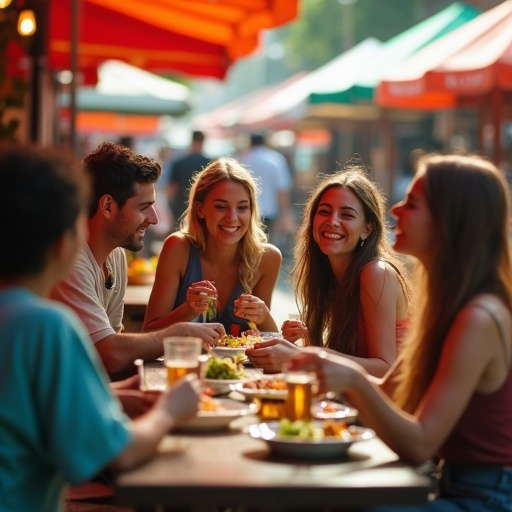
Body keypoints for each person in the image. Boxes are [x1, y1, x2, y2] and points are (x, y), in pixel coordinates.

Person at [292, 154, 512, 512]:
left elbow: (420, 443)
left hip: (483, 496)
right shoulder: (449, 303)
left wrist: (350, 378)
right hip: (447, 482)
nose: (394, 209)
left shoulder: (479, 316)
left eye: (412, 203)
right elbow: (392, 393)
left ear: (450, 220)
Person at [0, 144, 200, 512]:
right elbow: (120, 453)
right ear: (64, 239)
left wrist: (122, 393)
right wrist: (171, 409)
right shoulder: (44, 326)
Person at [51, 143, 224, 380]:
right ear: (108, 206)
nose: (153, 219)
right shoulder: (71, 260)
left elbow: (114, 353)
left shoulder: (115, 255)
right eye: (145, 207)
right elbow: (110, 356)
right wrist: (181, 332)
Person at [246, 165, 411, 377]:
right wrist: (309, 341)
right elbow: (345, 361)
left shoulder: (376, 273)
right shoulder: (330, 273)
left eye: (347, 215)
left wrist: (301, 356)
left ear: (367, 228)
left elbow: (384, 369)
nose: (332, 222)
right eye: (324, 212)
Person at [144, 157, 282, 336]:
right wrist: (188, 310)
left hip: (237, 365)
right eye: (221, 207)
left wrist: (264, 317)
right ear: (200, 209)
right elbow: (148, 332)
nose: (232, 217)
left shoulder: (267, 258)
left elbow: (266, 340)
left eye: (242, 208)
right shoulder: (178, 248)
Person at [238, 132, 295, 240]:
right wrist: (285, 214)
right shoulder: (275, 159)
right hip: (270, 212)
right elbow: (282, 189)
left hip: (245, 210)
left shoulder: (241, 159)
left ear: (250, 143)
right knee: (266, 246)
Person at [167, 130, 210, 226]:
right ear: (203, 141)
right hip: (202, 207)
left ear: (192, 141)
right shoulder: (209, 163)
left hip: (180, 206)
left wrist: (171, 206)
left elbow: (171, 189)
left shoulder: (178, 163)